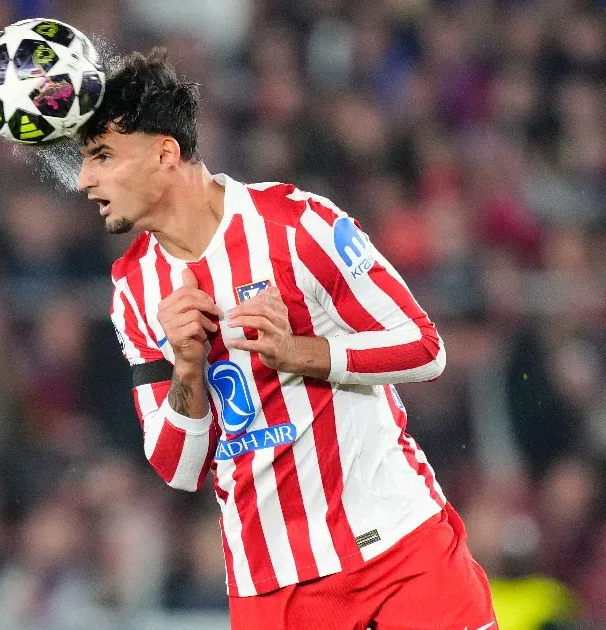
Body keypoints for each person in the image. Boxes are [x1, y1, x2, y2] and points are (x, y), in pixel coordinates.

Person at [77, 49, 497, 630]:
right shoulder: (133, 289)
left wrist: (301, 352)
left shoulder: (298, 224)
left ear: (164, 152)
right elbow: (179, 468)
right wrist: (188, 368)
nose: (84, 180)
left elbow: (424, 346)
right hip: (273, 585)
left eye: (102, 156)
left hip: (399, 548)